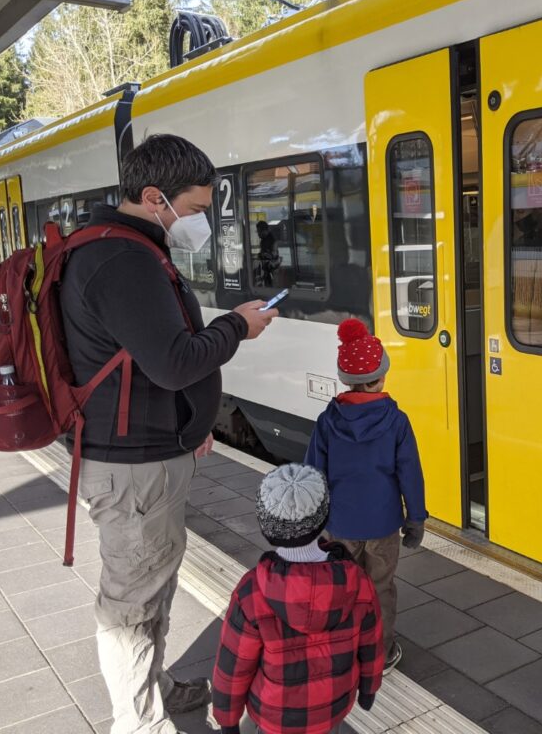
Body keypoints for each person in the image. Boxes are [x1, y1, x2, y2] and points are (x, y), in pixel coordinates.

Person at [60, 134, 278, 734]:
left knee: (152, 585)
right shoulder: (122, 261)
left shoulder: (127, 248)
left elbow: (151, 359)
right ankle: (138, 724)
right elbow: (175, 362)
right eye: (198, 209)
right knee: (131, 606)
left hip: (148, 456)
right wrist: (238, 326)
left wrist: (190, 427)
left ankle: (154, 686)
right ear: (155, 197)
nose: (201, 222)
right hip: (134, 471)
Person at [211, 463, 384, 734]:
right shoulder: (357, 581)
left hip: (275, 716)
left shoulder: (252, 592)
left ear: (267, 524)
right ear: (323, 517)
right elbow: (371, 643)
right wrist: (369, 688)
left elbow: (233, 664)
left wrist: (227, 719)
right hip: (332, 708)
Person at [304, 318, 427, 672]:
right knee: (380, 588)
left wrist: (311, 523)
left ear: (346, 378)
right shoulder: (397, 421)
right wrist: (415, 518)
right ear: (382, 376)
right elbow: (410, 474)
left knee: (343, 588)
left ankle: (344, 650)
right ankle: (380, 652)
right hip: (383, 525)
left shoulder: (328, 421)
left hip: (339, 525)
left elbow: (313, 474)